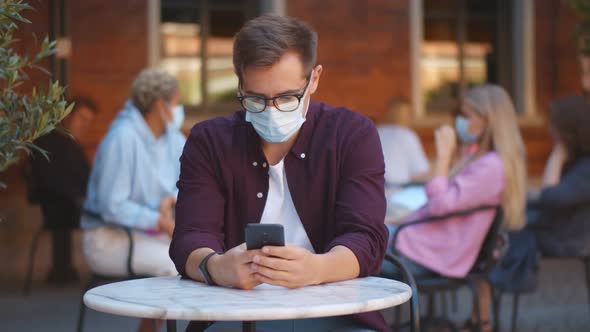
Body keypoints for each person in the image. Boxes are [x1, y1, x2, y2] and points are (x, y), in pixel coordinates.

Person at [169, 15, 388, 332]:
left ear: (313, 79)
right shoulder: (210, 141)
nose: (271, 111)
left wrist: (317, 268)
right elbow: (189, 238)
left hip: (337, 310)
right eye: (255, 99)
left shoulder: (352, 134)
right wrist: (215, 267)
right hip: (234, 314)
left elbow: (366, 238)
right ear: (239, 81)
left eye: (287, 98)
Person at [380, 85, 527, 332]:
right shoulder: (484, 160)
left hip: (427, 256)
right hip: (424, 247)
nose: (461, 121)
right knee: (355, 243)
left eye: (467, 116)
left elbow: (441, 205)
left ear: (488, 120)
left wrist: (443, 156)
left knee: (353, 256)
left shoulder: (491, 166)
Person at [80, 69, 186, 332]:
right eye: (177, 102)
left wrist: (171, 200)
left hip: (147, 233)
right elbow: (112, 206)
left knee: (196, 254)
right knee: (174, 263)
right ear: (160, 105)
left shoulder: (172, 137)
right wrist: (158, 222)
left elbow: (191, 180)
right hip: (108, 239)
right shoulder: (122, 138)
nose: (179, 109)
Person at [29, 96, 97, 283]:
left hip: (73, 206)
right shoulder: (49, 144)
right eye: (81, 119)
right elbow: (53, 184)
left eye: (89, 122)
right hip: (60, 210)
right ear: (67, 116)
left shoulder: (71, 145)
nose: (85, 125)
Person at [528, 96, 590, 256]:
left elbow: (549, 198)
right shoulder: (579, 162)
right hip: (562, 229)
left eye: (553, 126)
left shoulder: (586, 168)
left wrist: (557, 155)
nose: (550, 130)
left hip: (567, 240)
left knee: (512, 230)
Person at [377, 98, 429, 186]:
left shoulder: (377, 131)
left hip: (376, 188)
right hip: (399, 188)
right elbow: (421, 172)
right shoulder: (408, 135)